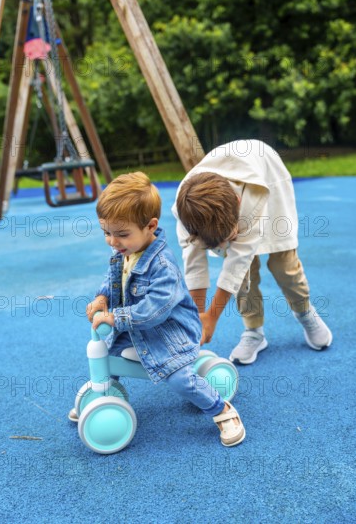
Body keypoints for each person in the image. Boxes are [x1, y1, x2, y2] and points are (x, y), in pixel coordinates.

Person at [69, 172, 245, 447]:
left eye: (121, 234)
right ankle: (102, 396)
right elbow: (113, 278)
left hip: (169, 333)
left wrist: (117, 317)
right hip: (137, 330)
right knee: (110, 355)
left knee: (179, 379)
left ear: (150, 226)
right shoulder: (125, 251)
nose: (113, 242)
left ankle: (222, 410)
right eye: (107, 233)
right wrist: (102, 298)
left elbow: (155, 310)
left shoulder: (162, 265)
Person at [172, 139, 332, 364]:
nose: (229, 244)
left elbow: (236, 264)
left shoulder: (251, 199)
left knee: (283, 266)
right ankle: (254, 332)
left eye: (231, 236)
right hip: (234, 184)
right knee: (247, 274)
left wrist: (213, 317)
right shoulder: (186, 211)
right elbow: (194, 264)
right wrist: (197, 318)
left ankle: (305, 312)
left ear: (236, 204)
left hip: (268, 177)